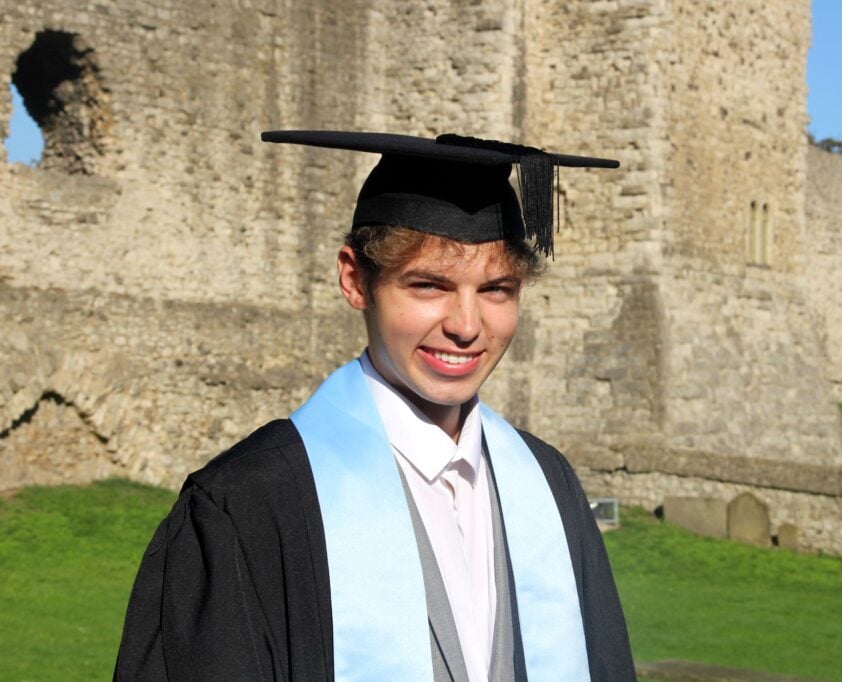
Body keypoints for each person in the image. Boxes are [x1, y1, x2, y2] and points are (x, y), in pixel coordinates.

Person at [114, 131, 636, 681]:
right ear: (355, 279)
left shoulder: (548, 487)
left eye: (496, 289)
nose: (465, 326)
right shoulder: (249, 503)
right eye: (429, 286)